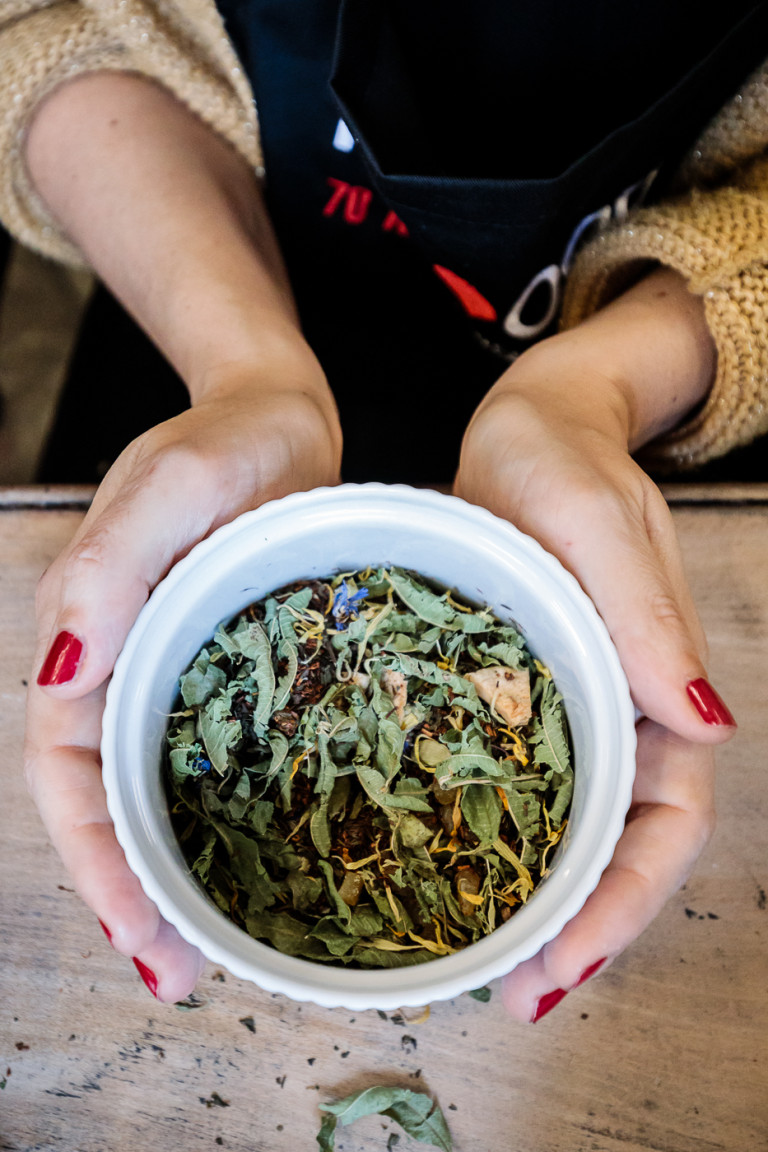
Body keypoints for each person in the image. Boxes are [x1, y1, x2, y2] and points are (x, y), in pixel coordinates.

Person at [4, 1, 767, 1023]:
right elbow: (57, 25)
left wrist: (602, 386)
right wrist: (242, 366)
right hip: (207, 311)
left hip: (635, 356)